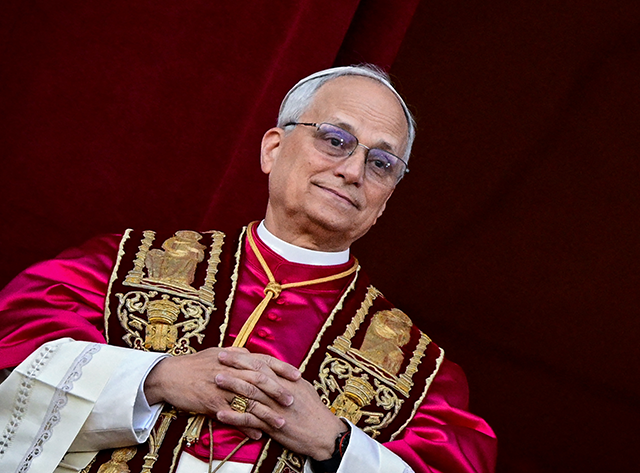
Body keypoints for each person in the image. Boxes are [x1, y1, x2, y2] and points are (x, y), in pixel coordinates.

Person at [0, 65, 497, 473]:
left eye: (381, 163)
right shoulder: (123, 265)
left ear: (385, 201)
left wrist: (335, 443)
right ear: (273, 149)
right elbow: (16, 351)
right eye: (334, 140)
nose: (352, 171)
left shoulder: (420, 374)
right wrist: (156, 378)